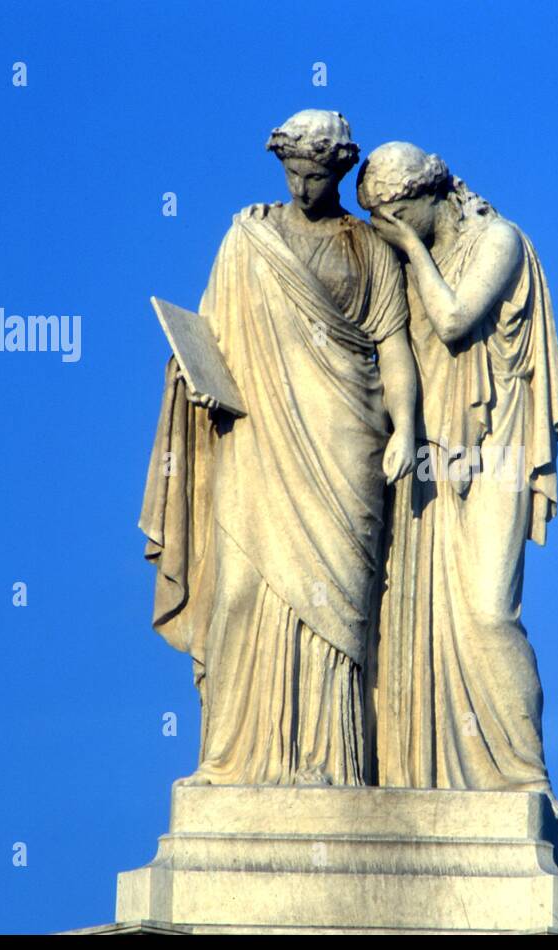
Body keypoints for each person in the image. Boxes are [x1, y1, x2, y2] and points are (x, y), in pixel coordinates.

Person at [140, 111, 417, 787]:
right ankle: (232, 759)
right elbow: (208, 334)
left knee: (335, 613)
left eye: (315, 174)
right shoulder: (247, 240)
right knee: (238, 593)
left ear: (341, 172)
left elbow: (395, 349)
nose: (300, 184)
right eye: (291, 171)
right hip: (255, 437)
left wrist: (406, 428)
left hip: (344, 441)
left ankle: (332, 763)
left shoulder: (370, 250)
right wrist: (190, 377)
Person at [357, 142, 558, 819]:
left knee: (486, 611)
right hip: (428, 449)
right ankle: (419, 771)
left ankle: (524, 773)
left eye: (395, 213)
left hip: (496, 445)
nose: (387, 227)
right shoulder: (398, 254)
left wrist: (412, 252)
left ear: (430, 194)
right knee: (411, 613)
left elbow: (452, 320)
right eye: (378, 218)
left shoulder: (497, 240)